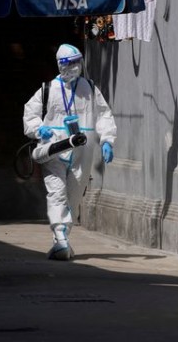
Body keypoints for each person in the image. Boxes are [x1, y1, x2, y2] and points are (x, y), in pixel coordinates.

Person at [23, 43, 116, 260]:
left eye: (78, 62)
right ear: (60, 65)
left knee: (74, 194)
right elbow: (30, 114)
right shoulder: (47, 90)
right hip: (55, 146)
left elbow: (103, 114)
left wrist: (107, 140)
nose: (75, 67)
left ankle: (62, 237)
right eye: (70, 63)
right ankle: (60, 233)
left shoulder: (90, 88)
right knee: (56, 192)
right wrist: (39, 129)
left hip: (83, 148)